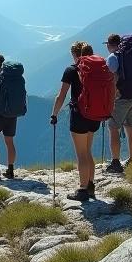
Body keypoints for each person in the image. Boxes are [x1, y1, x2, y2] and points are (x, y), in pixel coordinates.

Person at [50, 41, 103, 201]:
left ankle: (82, 190)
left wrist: (54, 114)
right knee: (88, 151)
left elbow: (61, 95)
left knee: (81, 154)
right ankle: (91, 186)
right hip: (96, 115)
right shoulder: (98, 69)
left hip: (79, 115)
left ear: (75, 55)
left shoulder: (72, 70)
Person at [104, 33, 132, 173]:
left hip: (120, 99)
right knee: (131, 128)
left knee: (114, 128)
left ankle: (115, 162)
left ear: (109, 45)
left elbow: (111, 79)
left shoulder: (113, 58)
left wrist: (110, 99)